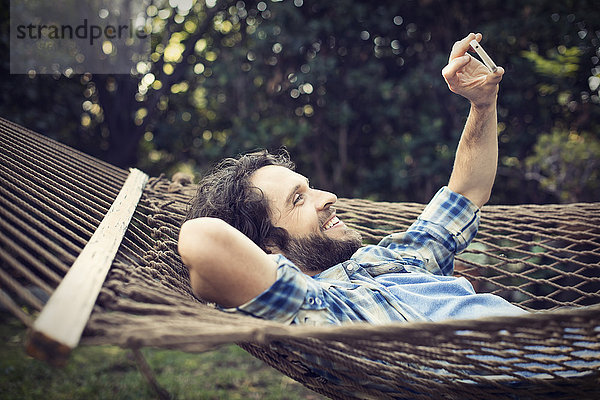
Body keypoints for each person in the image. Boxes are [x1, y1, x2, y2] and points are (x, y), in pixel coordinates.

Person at [178, 33, 527, 326]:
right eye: (298, 199)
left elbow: (466, 193)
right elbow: (202, 239)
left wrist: (483, 105)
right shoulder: (322, 310)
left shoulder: (390, 258)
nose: (327, 196)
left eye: (309, 187)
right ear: (270, 249)